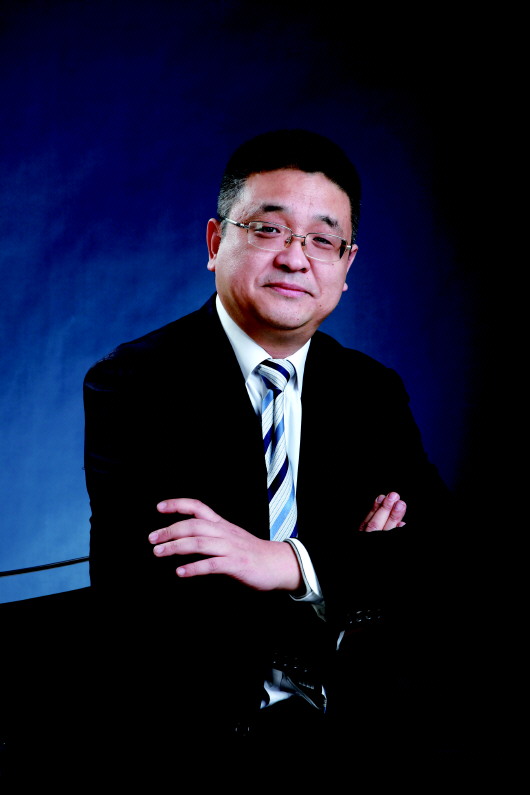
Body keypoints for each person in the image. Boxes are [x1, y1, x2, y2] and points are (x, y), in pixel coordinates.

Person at [82, 129, 455, 777]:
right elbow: (157, 594)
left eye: (322, 240)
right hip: (198, 736)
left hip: (357, 723)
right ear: (214, 243)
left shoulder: (371, 391)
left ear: (347, 266)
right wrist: (355, 562)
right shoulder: (135, 384)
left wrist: (282, 561)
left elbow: (438, 556)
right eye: (268, 230)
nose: (295, 258)